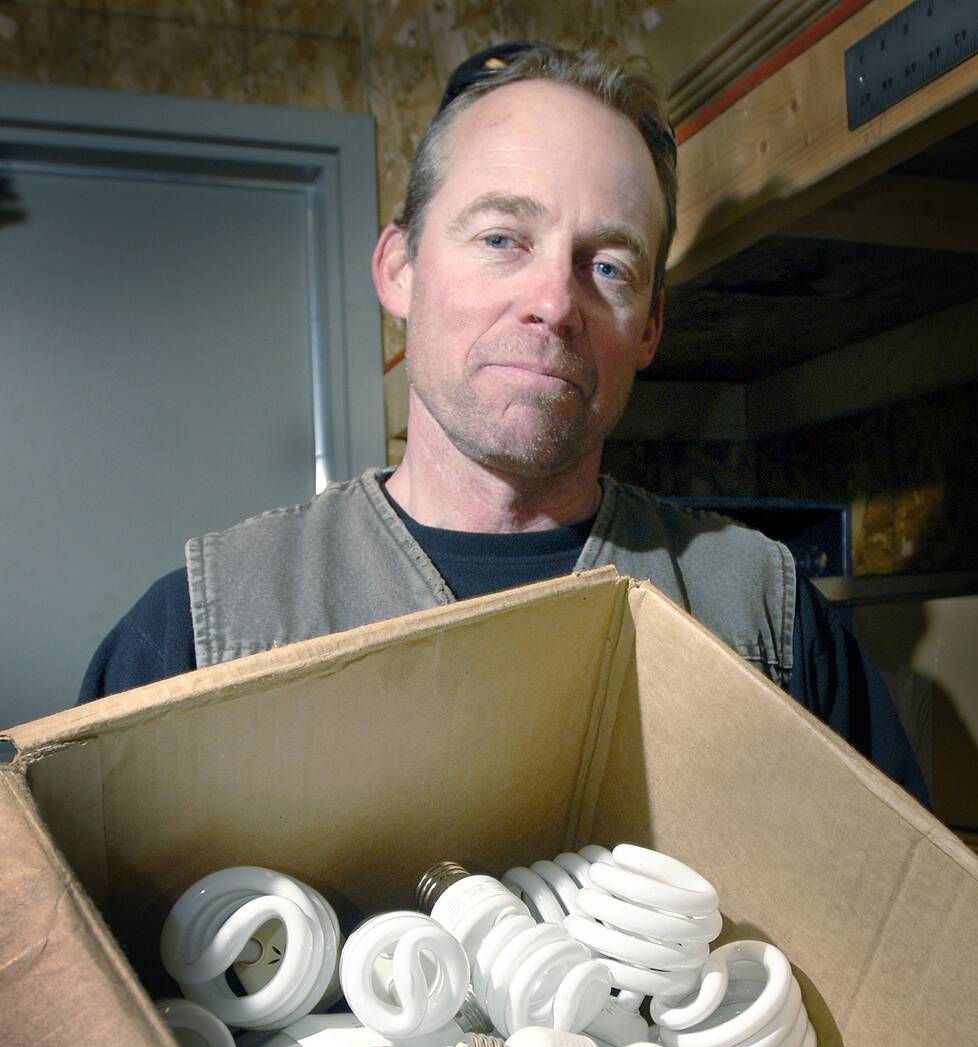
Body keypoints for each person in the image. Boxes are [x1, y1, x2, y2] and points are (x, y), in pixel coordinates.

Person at [79, 41, 927, 803]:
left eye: (607, 265)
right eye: (501, 239)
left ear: (651, 329)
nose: (556, 302)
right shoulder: (203, 629)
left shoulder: (771, 624)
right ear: (400, 269)